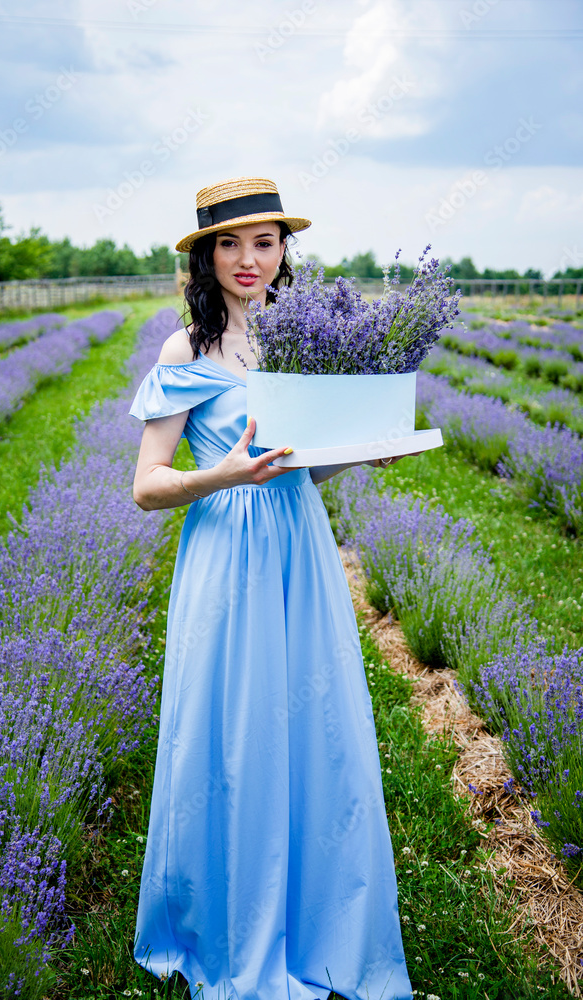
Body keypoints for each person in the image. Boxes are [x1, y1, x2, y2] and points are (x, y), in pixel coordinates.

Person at [129, 176, 413, 1000]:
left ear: (285, 250)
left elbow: (301, 464)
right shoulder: (188, 349)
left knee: (313, 729)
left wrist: (368, 447)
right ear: (204, 256)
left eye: (264, 242)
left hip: (298, 547)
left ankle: (319, 922)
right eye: (229, 243)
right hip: (225, 549)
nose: (248, 259)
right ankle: (225, 923)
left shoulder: (303, 341)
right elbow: (147, 485)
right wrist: (215, 477)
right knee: (230, 734)